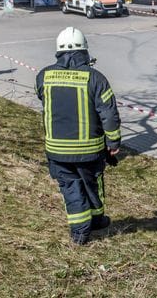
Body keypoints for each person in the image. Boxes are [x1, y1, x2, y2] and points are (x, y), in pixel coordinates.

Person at [35, 27, 121, 245]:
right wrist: (113, 142)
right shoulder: (96, 78)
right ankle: (94, 222)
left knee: (71, 189)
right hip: (90, 151)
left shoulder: (44, 76)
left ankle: (80, 232)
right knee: (92, 184)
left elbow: (42, 98)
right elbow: (109, 114)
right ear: (84, 50)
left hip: (57, 151)